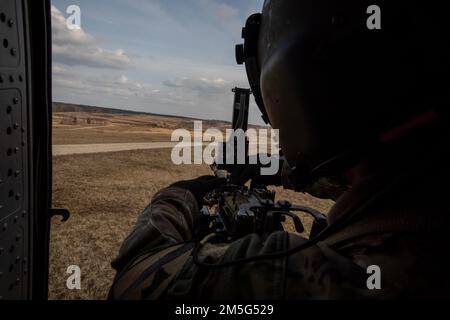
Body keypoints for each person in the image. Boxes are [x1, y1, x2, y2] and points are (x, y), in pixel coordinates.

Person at [109, 0, 450, 299]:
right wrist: (268, 168)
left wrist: (178, 196)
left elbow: (135, 283)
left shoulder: (320, 277)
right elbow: (355, 175)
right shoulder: (421, 187)